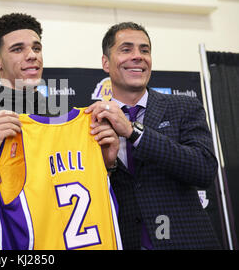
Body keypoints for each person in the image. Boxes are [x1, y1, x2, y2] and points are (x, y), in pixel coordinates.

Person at [0, 13, 119, 249]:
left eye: (36, 48)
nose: (32, 56)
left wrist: (107, 165)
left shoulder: (63, 118)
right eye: (18, 49)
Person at [86, 21, 221, 249]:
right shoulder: (90, 121)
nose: (138, 56)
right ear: (106, 63)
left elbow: (204, 169)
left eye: (144, 50)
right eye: (126, 49)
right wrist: (107, 167)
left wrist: (133, 131)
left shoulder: (184, 107)